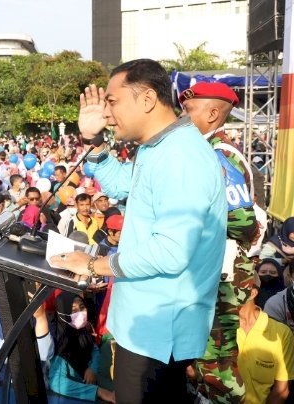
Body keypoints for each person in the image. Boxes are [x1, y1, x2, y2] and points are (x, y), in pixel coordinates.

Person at [51, 59, 227, 401]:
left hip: (158, 334)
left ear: (147, 99)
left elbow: (171, 252)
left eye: (112, 102)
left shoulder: (180, 157)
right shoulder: (158, 147)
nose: (106, 113)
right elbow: (121, 186)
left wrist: (92, 265)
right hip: (147, 326)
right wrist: (95, 141)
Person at [179, 81, 260, 402]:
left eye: (189, 110)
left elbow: (242, 221)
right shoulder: (206, 151)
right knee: (204, 361)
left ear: (212, 113)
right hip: (212, 275)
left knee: (217, 367)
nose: (182, 116)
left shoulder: (219, 155)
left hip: (222, 279)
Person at [47, 292, 114, 403]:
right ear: (63, 314)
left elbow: (94, 350)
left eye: (82, 307)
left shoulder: (83, 333)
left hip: (96, 380)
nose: (80, 313)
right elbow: (56, 382)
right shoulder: (61, 346)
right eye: (73, 310)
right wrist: (98, 392)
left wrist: (92, 368)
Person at [237, 274, 294, 403]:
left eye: (231, 288)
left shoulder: (281, 333)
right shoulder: (211, 328)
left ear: (252, 292)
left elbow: (281, 390)